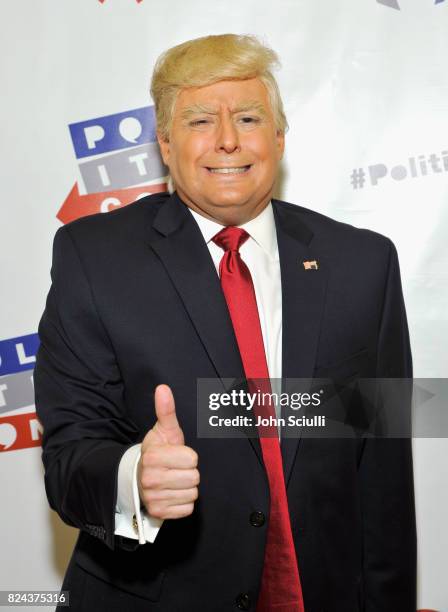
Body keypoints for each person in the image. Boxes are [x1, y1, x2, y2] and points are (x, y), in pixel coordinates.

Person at [35, 34, 416, 612]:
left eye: (247, 117)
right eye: (198, 121)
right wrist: (133, 479)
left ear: (280, 137)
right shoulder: (93, 258)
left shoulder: (364, 264)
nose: (228, 140)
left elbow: (384, 475)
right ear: (164, 142)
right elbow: (68, 458)